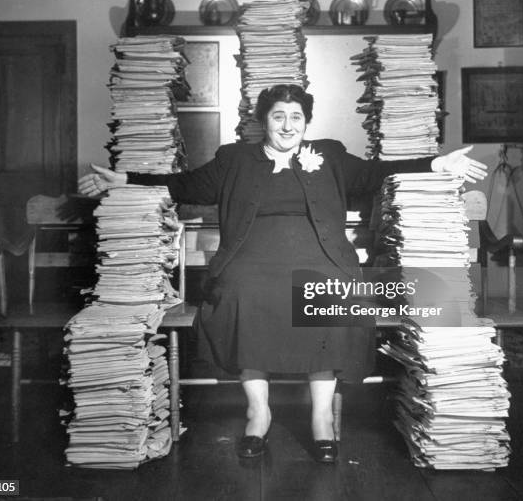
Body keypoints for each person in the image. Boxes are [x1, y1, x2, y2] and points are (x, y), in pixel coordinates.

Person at [78, 84, 487, 463]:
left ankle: (321, 416)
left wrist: (437, 162)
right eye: (278, 116)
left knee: (334, 295)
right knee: (243, 293)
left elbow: (376, 173)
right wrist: (126, 179)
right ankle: (259, 412)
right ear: (263, 121)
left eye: (296, 116)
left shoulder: (329, 155)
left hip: (321, 255)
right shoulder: (234, 158)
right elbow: (182, 185)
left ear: (307, 122)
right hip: (250, 259)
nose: (288, 125)